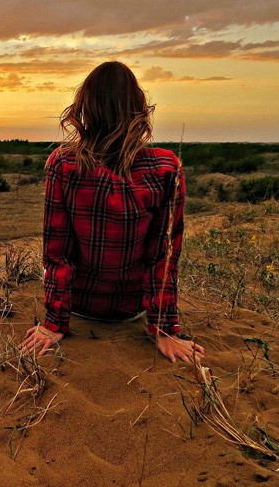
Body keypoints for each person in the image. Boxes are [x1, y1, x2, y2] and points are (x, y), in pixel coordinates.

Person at [20, 61, 205, 363]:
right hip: (133, 310)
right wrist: (164, 330)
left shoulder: (64, 164)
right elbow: (164, 258)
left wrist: (54, 325)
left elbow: (57, 254)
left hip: (79, 307)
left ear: (85, 109)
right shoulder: (166, 167)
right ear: (139, 109)